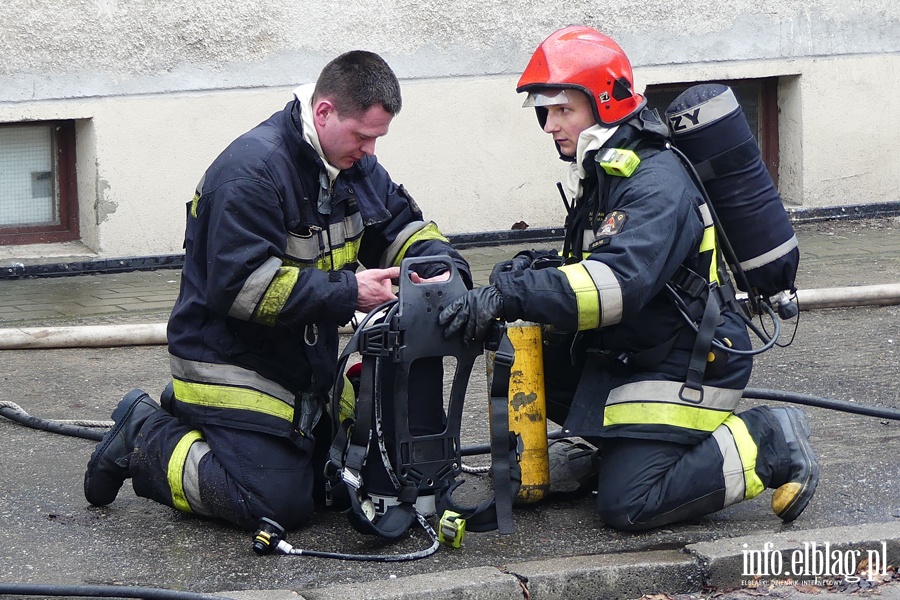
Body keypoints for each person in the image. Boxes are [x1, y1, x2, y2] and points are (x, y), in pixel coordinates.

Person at [439, 25, 819, 530]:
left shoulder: (656, 181)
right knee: (520, 353)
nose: (551, 124)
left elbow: (614, 285)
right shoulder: (608, 170)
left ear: (604, 105)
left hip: (687, 362)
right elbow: (599, 258)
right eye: (544, 111)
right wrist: (535, 270)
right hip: (639, 347)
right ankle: (620, 450)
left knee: (627, 504)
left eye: (563, 110)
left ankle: (769, 438)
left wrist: (511, 294)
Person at [84, 50, 471, 530]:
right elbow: (241, 288)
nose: (371, 151)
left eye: (377, 139)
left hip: (299, 367)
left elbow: (400, 228)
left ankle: (218, 431)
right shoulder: (252, 172)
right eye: (363, 136)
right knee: (275, 504)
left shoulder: (352, 165)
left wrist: (444, 269)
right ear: (324, 112)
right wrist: (350, 293)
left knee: (337, 486)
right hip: (229, 365)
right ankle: (145, 433)